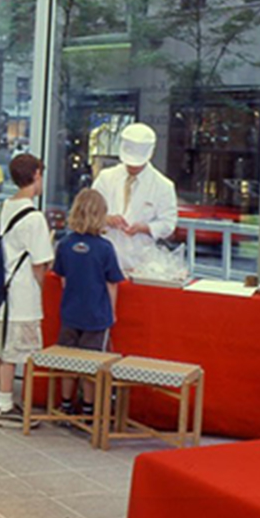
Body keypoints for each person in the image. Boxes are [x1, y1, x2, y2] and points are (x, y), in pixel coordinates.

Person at [0, 153, 53, 427]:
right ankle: (5, 404)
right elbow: (40, 264)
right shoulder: (34, 218)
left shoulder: (3, 208)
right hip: (22, 293)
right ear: (36, 174)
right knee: (14, 351)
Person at [52, 188, 125, 416]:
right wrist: (112, 312)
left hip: (70, 312)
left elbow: (62, 279)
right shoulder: (105, 248)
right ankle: (88, 408)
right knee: (91, 365)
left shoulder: (64, 244)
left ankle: (65, 406)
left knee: (68, 361)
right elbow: (112, 283)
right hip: (96, 316)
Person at [91, 122, 178, 271]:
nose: (132, 167)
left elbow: (168, 223)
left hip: (140, 261)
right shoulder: (106, 178)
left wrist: (146, 227)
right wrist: (107, 219)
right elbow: (89, 211)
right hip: (103, 255)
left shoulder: (163, 186)